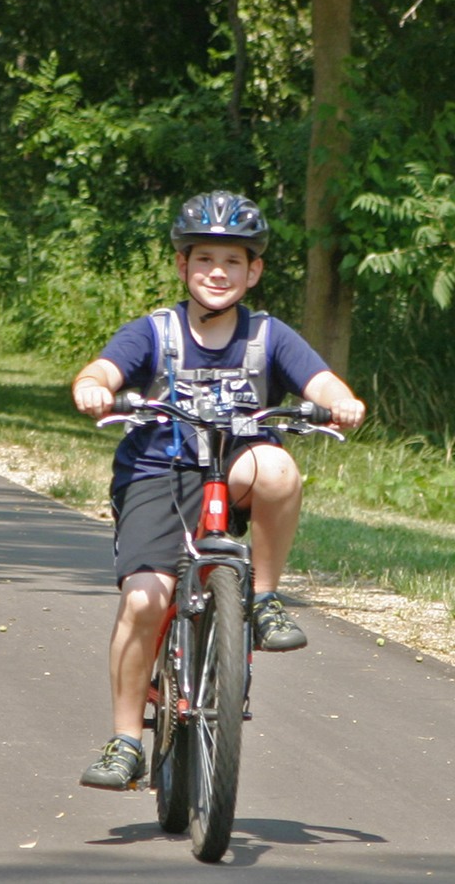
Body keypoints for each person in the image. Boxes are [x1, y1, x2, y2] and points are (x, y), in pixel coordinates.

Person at [70, 190, 366, 790]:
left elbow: (322, 380)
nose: (217, 272)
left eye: (233, 261)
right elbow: (102, 369)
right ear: (183, 266)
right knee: (146, 600)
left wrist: (341, 402)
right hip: (159, 472)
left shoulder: (267, 335)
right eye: (204, 259)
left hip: (234, 467)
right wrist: (95, 387)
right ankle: (126, 738)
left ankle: (262, 597)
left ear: (253, 271)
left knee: (280, 469)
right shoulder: (156, 330)